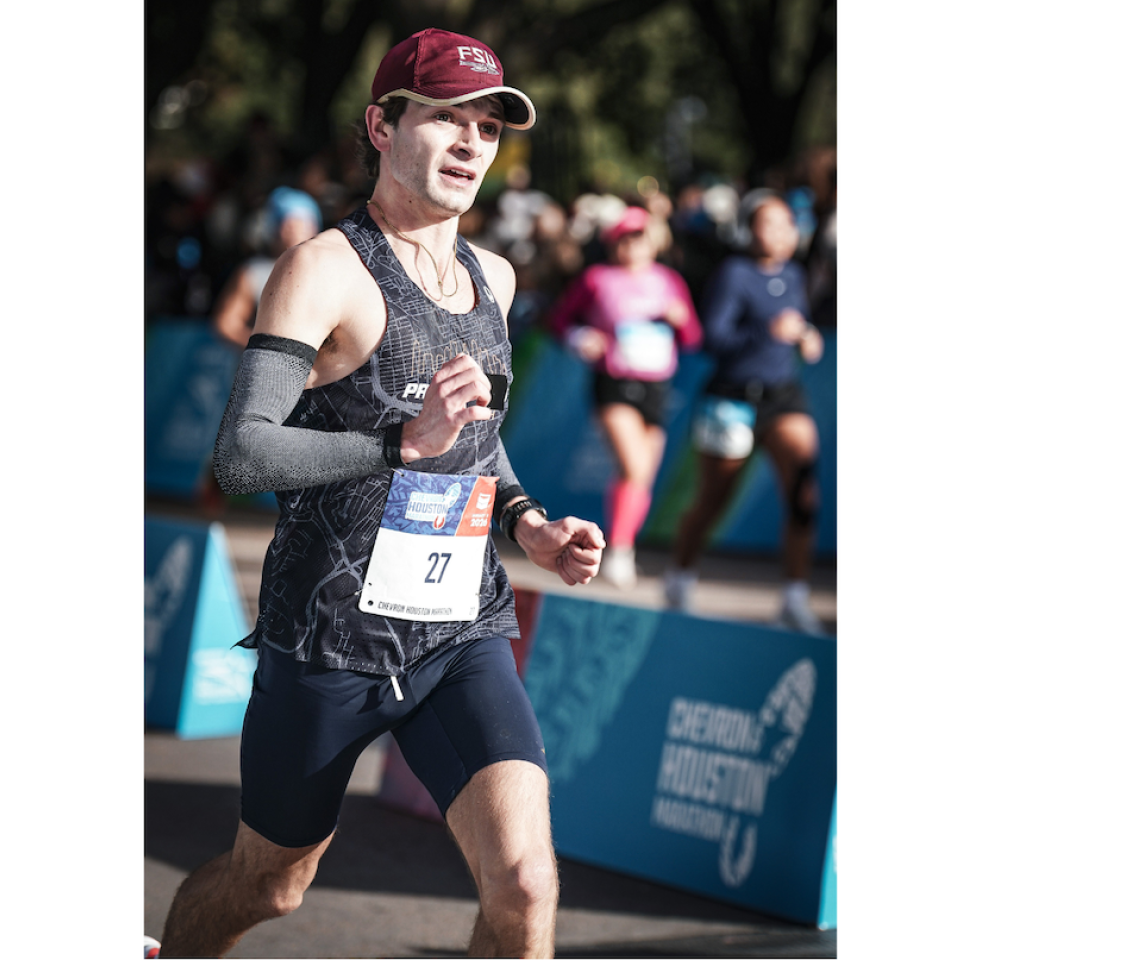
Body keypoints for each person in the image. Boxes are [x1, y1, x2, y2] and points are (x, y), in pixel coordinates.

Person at [151, 28, 606, 960]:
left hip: (458, 632)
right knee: (268, 886)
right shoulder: (325, 268)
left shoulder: (497, 278)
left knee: (524, 885)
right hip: (329, 641)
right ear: (380, 124)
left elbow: (479, 444)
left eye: (487, 124)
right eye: (444, 116)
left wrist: (531, 527)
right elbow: (241, 455)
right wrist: (401, 442)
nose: (471, 141)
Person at [663, 190, 825, 633]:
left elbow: (795, 325)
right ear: (749, 231)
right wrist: (765, 333)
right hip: (732, 397)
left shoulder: (795, 274)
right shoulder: (734, 274)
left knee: (804, 492)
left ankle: (794, 597)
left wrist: (806, 335)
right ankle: (679, 578)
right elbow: (712, 339)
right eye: (766, 224)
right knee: (715, 498)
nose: (777, 233)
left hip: (782, 396)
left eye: (785, 224)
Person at [548, 204, 701, 587]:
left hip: (656, 386)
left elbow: (694, 338)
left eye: (639, 237)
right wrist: (581, 337)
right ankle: (618, 550)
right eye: (624, 238)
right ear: (614, 243)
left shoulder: (668, 281)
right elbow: (558, 319)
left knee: (640, 477)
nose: (632, 245)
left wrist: (681, 321)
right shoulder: (597, 279)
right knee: (633, 467)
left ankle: (622, 546)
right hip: (615, 383)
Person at [211, 186, 322, 347]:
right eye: (288, 224)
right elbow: (226, 324)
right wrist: (266, 351)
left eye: (303, 223)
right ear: (274, 228)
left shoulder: (330, 271)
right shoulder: (254, 272)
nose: (295, 231)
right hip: (263, 368)